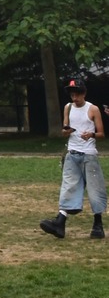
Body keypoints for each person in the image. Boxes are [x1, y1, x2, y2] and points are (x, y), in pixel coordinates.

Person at [39, 79, 106, 240]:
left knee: (95, 189)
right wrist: (66, 132)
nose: (74, 96)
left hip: (88, 155)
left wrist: (91, 135)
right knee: (68, 186)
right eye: (72, 93)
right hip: (72, 153)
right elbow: (64, 129)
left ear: (84, 93)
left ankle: (98, 225)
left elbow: (101, 134)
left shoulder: (93, 109)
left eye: (77, 93)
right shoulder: (67, 108)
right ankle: (59, 223)